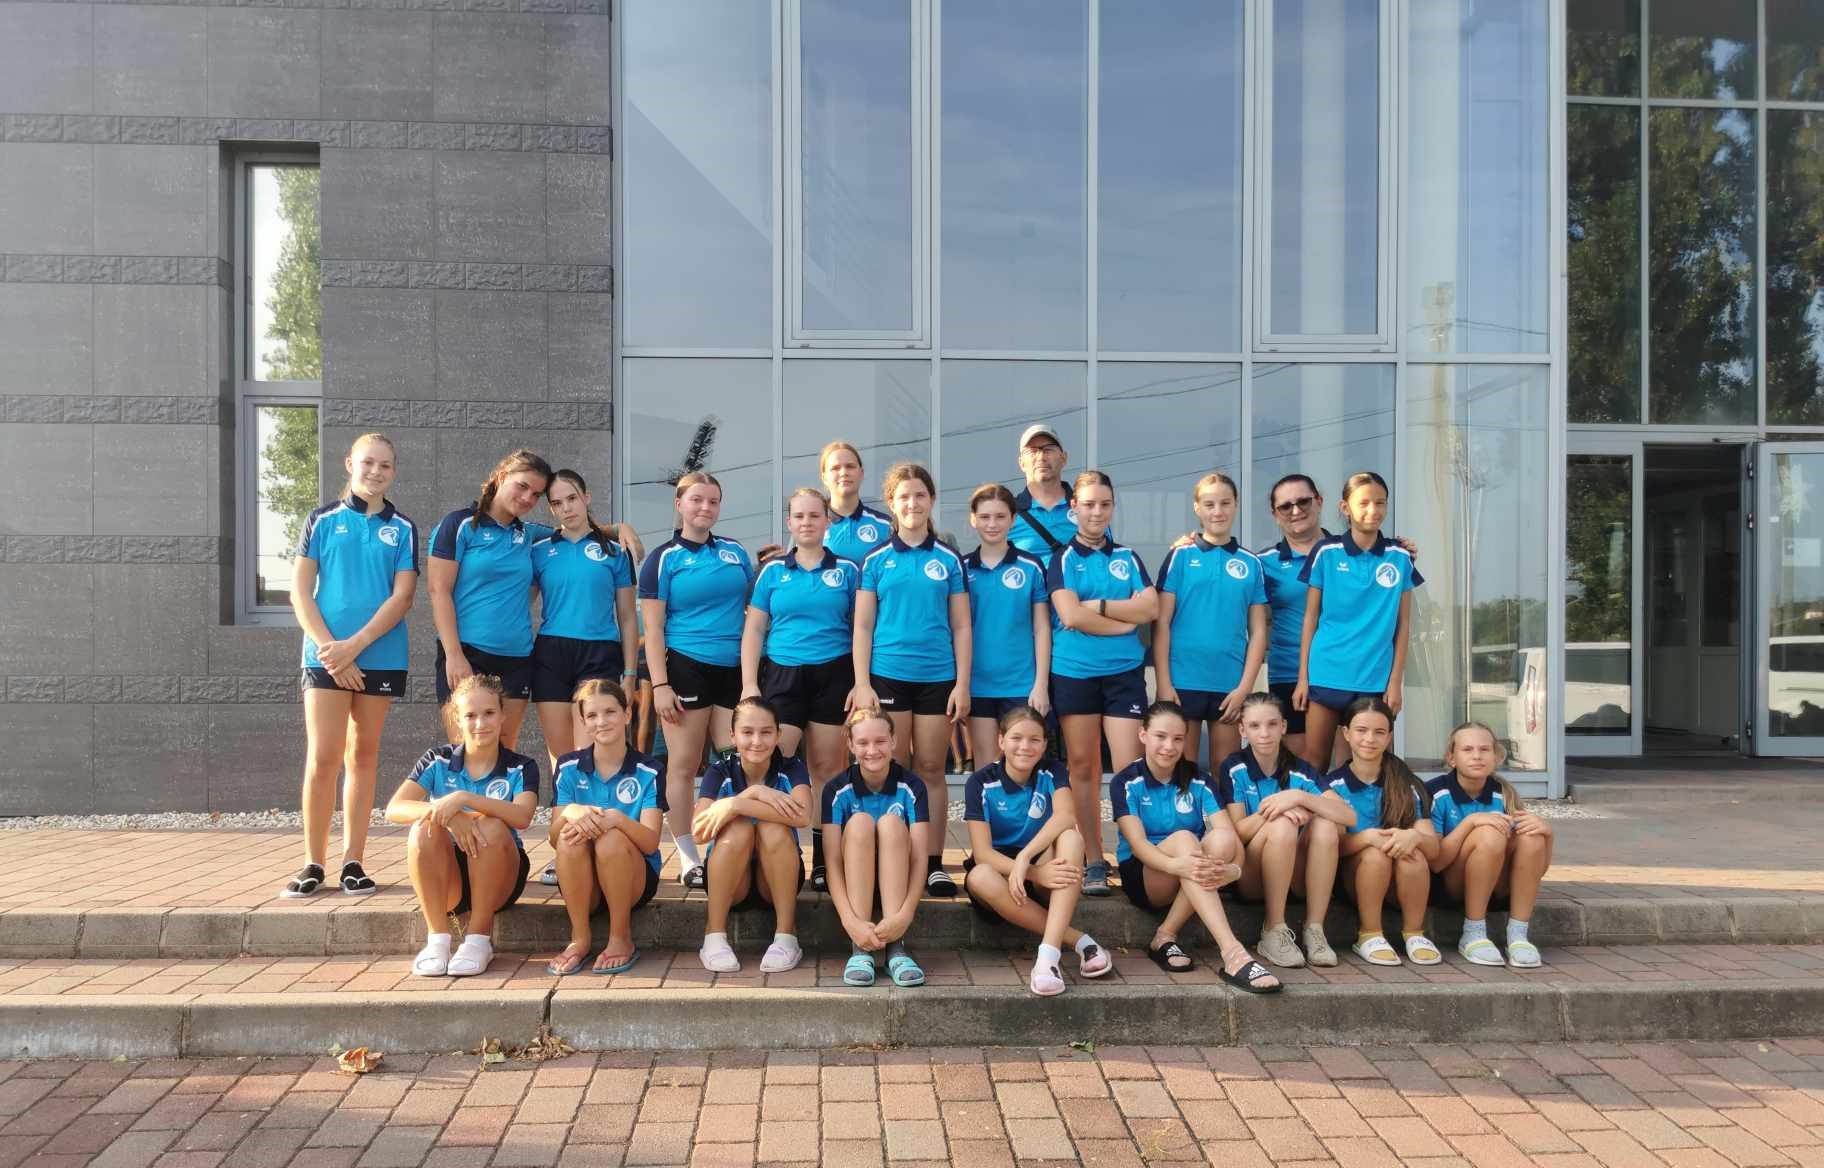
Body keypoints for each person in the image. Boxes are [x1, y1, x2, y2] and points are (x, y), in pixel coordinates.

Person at [284, 433, 417, 899]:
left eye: (385, 465)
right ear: (349, 464)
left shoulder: (403, 528)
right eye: (368, 463)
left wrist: (354, 647)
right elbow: (299, 592)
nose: (376, 472)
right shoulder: (321, 520)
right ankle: (313, 862)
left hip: (380, 654)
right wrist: (331, 650)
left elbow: (402, 597)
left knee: (363, 755)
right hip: (324, 655)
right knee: (323, 757)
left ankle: (353, 862)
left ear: (393, 471)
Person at [850, 462, 969, 897]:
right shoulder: (875, 560)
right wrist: (862, 682)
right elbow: (863, 626)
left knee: (932, 768)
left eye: (920, 495)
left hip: (937, 677)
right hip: (888, 676)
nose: (912, 503)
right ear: (891, 503)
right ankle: (890, 855)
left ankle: (933, 862)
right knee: (891, 767)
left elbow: (962, 626)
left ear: (931, 500)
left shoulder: (948, 558)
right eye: (904, 496)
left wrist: (962, 683)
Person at [1109, 702, 1280, 993]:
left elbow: (1230, 836)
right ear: (1143, 735)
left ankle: (1165, 936)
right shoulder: (1126, 781)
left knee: (1221, 839)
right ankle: (1233, 952)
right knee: (1185, 839)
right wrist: (1175, 865)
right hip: (1147, 875)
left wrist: (1234, 870)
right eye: (1160, 736)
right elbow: (1137, 845)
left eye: (1177, 739)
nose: (1169, 746)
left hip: (1190, 870)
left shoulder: (1199, 780)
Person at [639, 472, 756, 889]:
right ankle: (688, 856)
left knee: (735, 759)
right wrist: (659, 685)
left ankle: (729, 845)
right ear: (680, 505)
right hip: (686, 666)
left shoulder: (735, 552)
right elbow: (652, 630)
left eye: (713, 501)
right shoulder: (663, 558)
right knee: (684, 765)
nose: (705, 507)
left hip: (732, 669)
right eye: (697, 500)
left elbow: (755, 608)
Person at [741, 486, 860, 892]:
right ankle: (777, 855)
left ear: (827, 521)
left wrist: (861, 682)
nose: (807, 522)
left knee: (827, 770)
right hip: (782, 675)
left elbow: (862, 628)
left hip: (834, 674)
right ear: (788, 522)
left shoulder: (848, 570)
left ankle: (825, 860)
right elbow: (754, 629)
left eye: (814, 515)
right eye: (799, 516)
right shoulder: (772, 571)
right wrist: (749, 684)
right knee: (776, 764)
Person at [1045, 470, 1157, 897]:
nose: (1097, 512)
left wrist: (1103, 606)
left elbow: (1149, 609)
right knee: (1083, 766)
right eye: (1089, 504)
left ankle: (1132, 855)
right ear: (1073, 508)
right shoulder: (1062, 559)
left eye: (1105, 504)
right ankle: (1093, 858)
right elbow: (1070, 615)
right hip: (1074, 672)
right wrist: (1121, 624)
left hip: (1123, 674)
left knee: (1129, 768)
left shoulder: (1127, 557)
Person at [386, 674, 539, 978]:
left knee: (492, 825)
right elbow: (395, 808)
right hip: (450, 880)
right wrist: (449, 815)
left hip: (500, 874)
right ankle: (437, 940)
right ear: (457, 719)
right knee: (425, 828)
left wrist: (463, 799)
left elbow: (522, 816)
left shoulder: (521, 766)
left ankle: (479, 940)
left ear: (503, 715)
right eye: (470, 715)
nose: (480, 723)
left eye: (489, 713)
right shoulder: (437, 759)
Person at [962, 705, 1110, 996]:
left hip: (1043, 870)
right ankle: (1080, 941)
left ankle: (1048, 958)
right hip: (1005, 882)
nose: (1025, 746)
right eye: (1016, 738)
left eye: (1034, 740)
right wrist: (1032, 872)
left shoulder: (1052, 771)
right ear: (1001, 740)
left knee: (1071, 837)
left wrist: (1026, 858)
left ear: (1044, 745)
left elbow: (1066, 815)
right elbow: (982, 854)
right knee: (979, 876)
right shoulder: (980, 782)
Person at [1293, 471, 1423, 772]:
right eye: (1363, 503)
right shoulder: (1326, 552)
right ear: (1345, 507)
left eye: (1380, 502)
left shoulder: (1400, 556)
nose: (1373, 510)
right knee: (1314, 762)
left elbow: (1404, 625)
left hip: (1375, 678)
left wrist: (1395, 682)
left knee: (1369, 765)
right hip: (1327, 671)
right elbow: (1310, 617)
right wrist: (1303, 678)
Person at [427, 449, 556, 749]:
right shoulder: (459, 525)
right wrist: (453, 655)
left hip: (517, 658)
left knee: (505, 751)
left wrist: (618, 530)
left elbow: (575, 531)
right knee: (468, 749)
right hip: (467, 655)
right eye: (522, 486)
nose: (527, 498)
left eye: (536, 494)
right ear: (501, 477)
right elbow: (438, 591)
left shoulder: (529, 534)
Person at [1220, 693, 1355, 968]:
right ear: (1242, 730)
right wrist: (1275, 810)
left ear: (1283, 726)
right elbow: (1237, 834)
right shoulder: (1234, 768)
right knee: (1282, 824)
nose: (1265, 733)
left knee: (1327, 825)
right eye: (1255, 726)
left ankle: (1315, 930)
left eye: (1272, 724)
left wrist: (1298, 797)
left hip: (1295, 877)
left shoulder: (1300, 771)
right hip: (1250, 876)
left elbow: (1348, 816)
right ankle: (1273, 928)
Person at [545, 680, 663, 976]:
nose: (602, 721)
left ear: (627, 714)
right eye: (592, 715)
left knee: (610, 838)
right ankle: (579, 938)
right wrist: (571, 812)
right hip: (583, 881)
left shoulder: (649, 769)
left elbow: (650, 842)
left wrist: (617, 819)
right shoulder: (568, 767)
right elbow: (554, 838)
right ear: (584, 723)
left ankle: (620, 937)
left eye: (610, 712)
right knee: (569, 838)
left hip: (632, 879)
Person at [1154, 472, 1267, 771]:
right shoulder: (1179, 556)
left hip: (1229, 684)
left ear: (1236, 504)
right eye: (1209, 504)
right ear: (1197, 508)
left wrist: (1244, 688)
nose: (1218, 511)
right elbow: (1161, 622)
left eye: (1225, 503)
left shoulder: (1251, 563)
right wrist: (1164, 683)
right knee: (1182, 770)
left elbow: (1258, 632)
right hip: (1182, 680)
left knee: (1225, 770)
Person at [693, 697, 812, 974]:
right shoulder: (719, 770)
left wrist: (738, 803)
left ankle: (787, 935)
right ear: (732, 736)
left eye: (766, 732)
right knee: (739, 828)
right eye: (747, 732)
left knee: (772, 827)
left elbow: (803, 815)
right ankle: (714, 935)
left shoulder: (791, 767)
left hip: (776, 883)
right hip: (732, 884)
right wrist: (751, 796)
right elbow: (699, 831)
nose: (756, 741)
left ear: (778, 734)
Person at [531, 469, 638, 771]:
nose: (567, 508)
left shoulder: (616, 552)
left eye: (572, 498)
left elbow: (628, 617)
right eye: (557, 503)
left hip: (599, 653)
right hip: (551, 653)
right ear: (551, 508)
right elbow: (520, 603)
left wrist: (630, 674)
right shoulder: (539, 551)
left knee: (589, 752)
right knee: (561, 759)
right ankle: (565, 804)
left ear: (586, 497)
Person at [1426, 722, 1554, 968]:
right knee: (1489, 833)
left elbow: (1536, 870)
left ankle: (1518, 935)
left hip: (1498, 887)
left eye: (1484, 749)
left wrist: (1547, 835)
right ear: (1451, 758)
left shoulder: (1503, 794)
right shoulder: (1435, 793)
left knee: (1531, 835)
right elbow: (1436, 863)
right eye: (1467, 749)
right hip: (1451, 887)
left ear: (1496, 757)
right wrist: (1470, 823)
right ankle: (1473, 933)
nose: (1477, 756)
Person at [822, 707, 930, 987]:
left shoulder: (912, 786)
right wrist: (849, 921)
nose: (872, 750)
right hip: (855, 884)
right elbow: (832, 861)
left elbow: (920, 858)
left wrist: (905, 915)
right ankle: (860, 949)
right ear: (850, 745)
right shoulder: (836, 789)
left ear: (893, 741)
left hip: (898, 884)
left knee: (891, 823)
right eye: (863, 742)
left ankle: (896, 947)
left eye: (880, 741)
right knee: (860, 822)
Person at [1328, 697, 1440, 966]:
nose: (1370, 739)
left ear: (1389, 737)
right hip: (1354, 880)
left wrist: (1415, 836)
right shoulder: (1333, 785)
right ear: (1346, 733)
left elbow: (1434, 849)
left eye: (1379, 732)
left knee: (1414, 854)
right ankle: (1369, 934)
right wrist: (1366, 838)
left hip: (1401, 883)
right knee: (1375, 855)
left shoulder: (1405, 783)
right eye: (1361, 730)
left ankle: (1414, 933)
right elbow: (1333, 847)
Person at [962, 483, 1052, 776]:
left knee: (1024, 766)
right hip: (977, 684)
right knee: (986, 768)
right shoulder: (961, 567)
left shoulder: (1031, 566)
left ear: (1013, 519)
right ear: (973, 519)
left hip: (1021, 685)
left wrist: (1040, 684)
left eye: (1000, 516)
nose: (992, 524)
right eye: (985, 517)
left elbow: (1041, 628)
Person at [1257, 474, 1330, 761]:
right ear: (1275, 515)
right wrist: (1188, 546)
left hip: (1344, 672)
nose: (1296, 511)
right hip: (1288, 673)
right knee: (1300, 768)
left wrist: (1403, 548)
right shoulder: (1263, 563)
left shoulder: (1346, 552)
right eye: (1285, 506)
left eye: (1303, 501)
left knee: (1349, 767)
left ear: (1319, 501)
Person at [820, 440, 895, 566]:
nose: (843, 472)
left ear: (861, 473)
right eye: (835, 468)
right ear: (824, 477)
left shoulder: (886, 525)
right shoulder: (810, 525)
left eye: (850, 466)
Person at [1009, 424, 1078, 558]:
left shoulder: (1087, 507)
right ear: (1021, 463)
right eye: (1032, 451)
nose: (1041, 457)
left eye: (1048, 449)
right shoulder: (1007, 514)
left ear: (1063, 458)